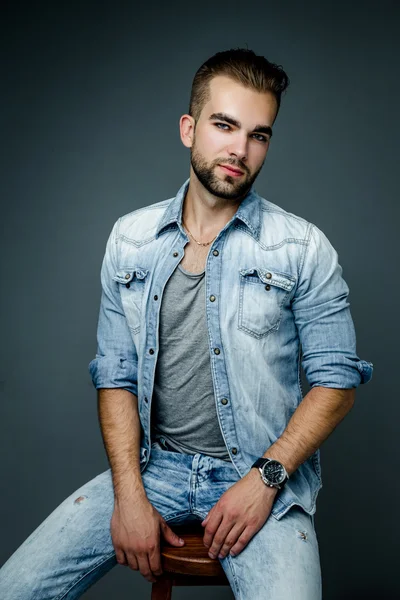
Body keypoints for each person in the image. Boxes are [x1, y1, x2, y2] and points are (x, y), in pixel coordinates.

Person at [0, 47, 373, 599]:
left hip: (259, 476)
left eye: (259, 135)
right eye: (224, 125)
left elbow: (336, 381)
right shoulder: (130, 239)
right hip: (154, 471)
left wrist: (266, 479)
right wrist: (129, 496)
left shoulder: (302, 247)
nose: (240, 150)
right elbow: (116, 377)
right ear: (188, 128)